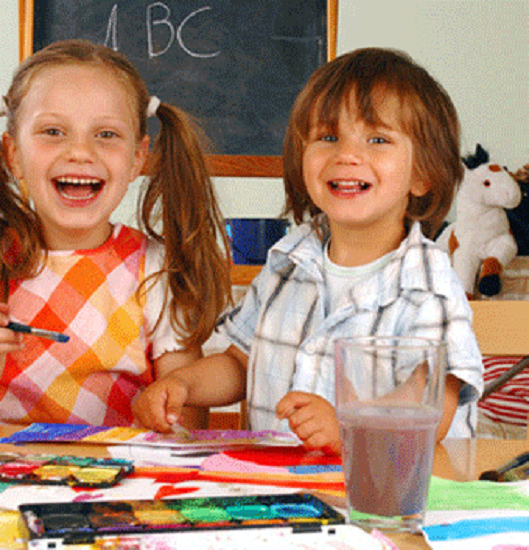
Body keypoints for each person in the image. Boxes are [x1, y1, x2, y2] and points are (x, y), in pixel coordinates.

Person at [132, 47, 484, 453]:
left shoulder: (428, 285)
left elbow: (431, 402)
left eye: (378, 139)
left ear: (422, 174)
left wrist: (346, 428)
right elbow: (239, 363)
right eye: (328, 137)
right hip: (284, 484)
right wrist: (182, 384)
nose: (346, 154)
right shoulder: (286, 263)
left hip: (390, 486)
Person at [0, 40, 232, 427]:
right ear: (13, 154)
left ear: (138, 158)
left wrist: (162, 415)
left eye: (106, 134)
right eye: (53, 131)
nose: (80, 151)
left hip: (115, 468)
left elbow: (187, 423)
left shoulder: (160, 271)